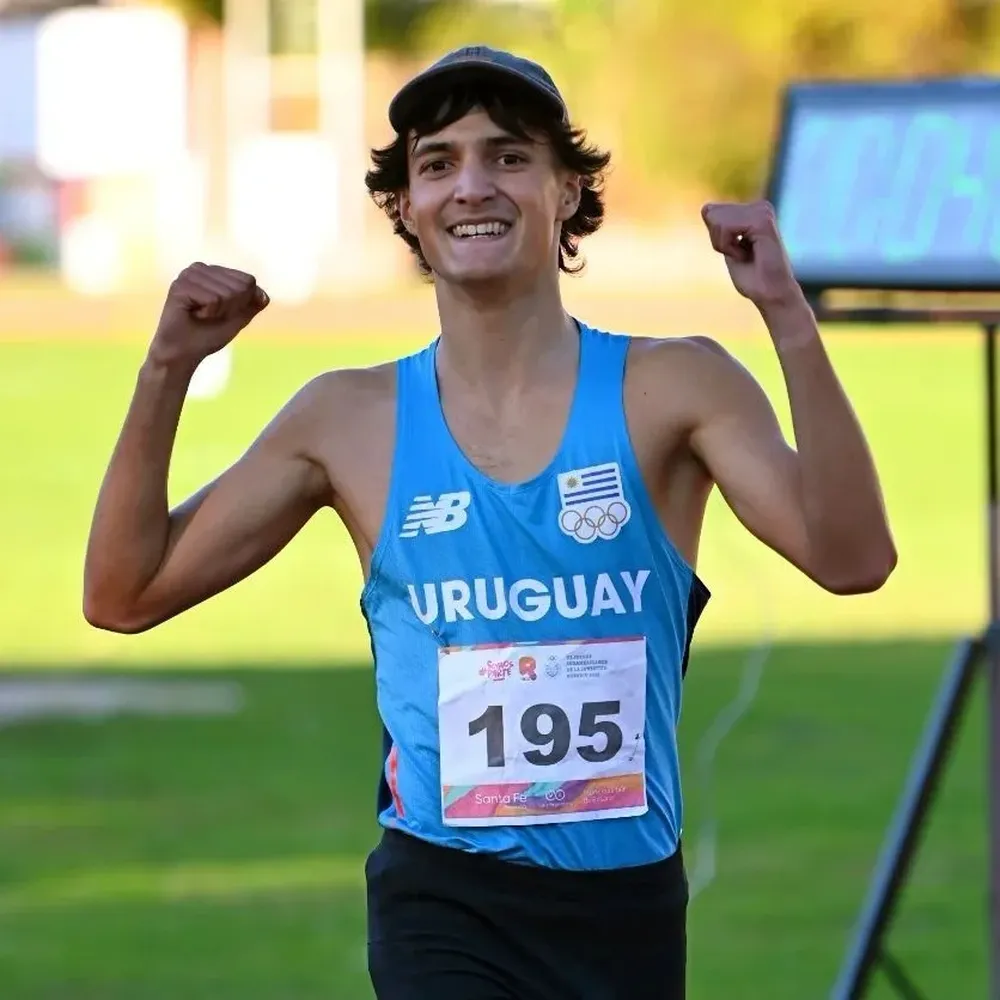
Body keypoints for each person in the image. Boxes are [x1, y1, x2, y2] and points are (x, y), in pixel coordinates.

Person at [83, 45, 897, 1000]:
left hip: (625, 908)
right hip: (443, 899)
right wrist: (166, 370)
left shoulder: (672, 387)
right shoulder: (347, 419)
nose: (472, 185)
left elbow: (852, 559)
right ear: (408, 211)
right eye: (438, 163)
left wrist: (788, 318)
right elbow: (123, 594)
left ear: (567, 194)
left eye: (509, 156)